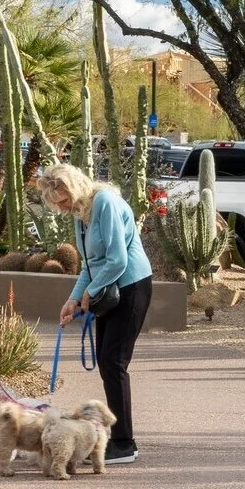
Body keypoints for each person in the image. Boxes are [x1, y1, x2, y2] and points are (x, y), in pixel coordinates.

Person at [41, 163, 154, 465]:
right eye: (57, 204)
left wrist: (90, 292)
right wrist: (74, 299)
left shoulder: (105, 202)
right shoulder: (82, 216)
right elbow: (91, 266)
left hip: (131, 286)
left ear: (73, 188)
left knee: (113, 361)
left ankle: (125, 444)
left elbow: (117, 259)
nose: (62, 208)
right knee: (107, 362)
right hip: (109, 290)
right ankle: (116, 440)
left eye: (62, 200)